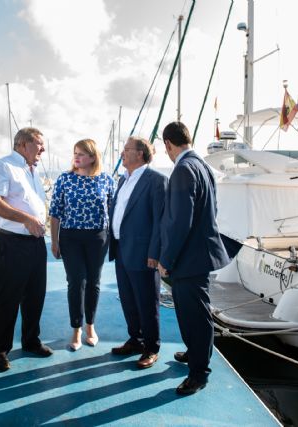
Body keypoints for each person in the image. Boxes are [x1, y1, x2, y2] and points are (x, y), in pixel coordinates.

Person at [157, 121, 230, 395]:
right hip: (200, 254)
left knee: (196, 316)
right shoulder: (202, 166)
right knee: (193, 314)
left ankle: (199, 373)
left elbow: (179, 222)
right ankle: (195, 353)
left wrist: (167, 258)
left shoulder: (183, 170)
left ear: (168, 144)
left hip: (189, 258)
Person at [0, 127, 53, 372]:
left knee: (36, 294)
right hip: (10, 242)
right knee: (7, 297)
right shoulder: (4, 166)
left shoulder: (31, 170)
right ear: (23, 144)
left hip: (35, 242)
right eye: (39, 144)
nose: (43, 150)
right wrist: (26, 219)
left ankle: (31, 341)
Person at [108, 136, 168, 369]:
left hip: (144, 252)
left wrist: (155, 253)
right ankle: (136, 339)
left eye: (126, 149)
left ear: (140, 154)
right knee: (128, 299)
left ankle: (151, 347)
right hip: (122, 248)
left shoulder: (156, 181)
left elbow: (160, 221)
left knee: (146, 301)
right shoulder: (124, 180)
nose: (122, 152)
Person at [49, 139, 114, 351]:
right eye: (75, 153)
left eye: (82, 154)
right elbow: (56, 212)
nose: (76, 157)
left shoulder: (106, 179)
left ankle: (90, 327)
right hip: (71, 237)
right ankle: (76, 329)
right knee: (76, 282)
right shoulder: (65, 179)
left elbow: (114, 212)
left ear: (93, 157)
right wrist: (55, 240)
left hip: (98, 237)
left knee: (94, 282)